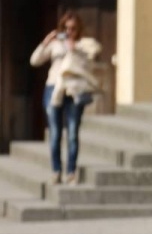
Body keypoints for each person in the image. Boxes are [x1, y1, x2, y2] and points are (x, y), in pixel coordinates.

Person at [30, 11, 101, 185]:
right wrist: (46, 42)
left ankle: (71, 172)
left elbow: (92, 58)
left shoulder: (84, 45)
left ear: (78, 29)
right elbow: (35, 61)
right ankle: (56, 171)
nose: (69, 31)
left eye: (73, 28)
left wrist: (74, 49)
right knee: (55, 133)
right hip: (53, 88)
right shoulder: (56, 44)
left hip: (74, 90)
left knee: (72, 132)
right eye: (66, 28)